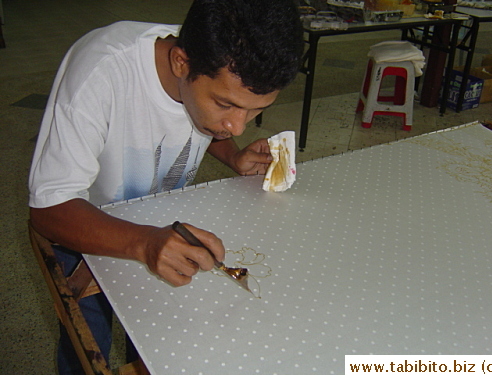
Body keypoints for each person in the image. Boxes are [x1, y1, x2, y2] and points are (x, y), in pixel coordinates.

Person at [28, 0, 303, 373]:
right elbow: (49, 209)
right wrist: (144, 242)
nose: (236, 126)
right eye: (225, 105)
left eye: (254, 111)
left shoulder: (212, 60)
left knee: (152, 339)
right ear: (180, 63)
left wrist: (232, 156)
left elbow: (206, 122)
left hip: (161, 227)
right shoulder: (102, 72)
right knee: (87, 343)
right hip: (83, 229)